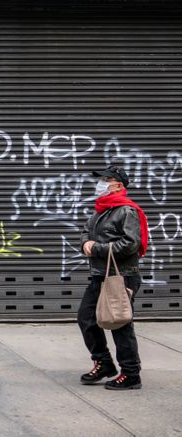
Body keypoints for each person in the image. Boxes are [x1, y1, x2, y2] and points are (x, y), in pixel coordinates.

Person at [78, 165, 148, 390]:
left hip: (122, 276)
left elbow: (131, 243)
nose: (101, 183)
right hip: (100, 275)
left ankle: (131, 373)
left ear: (118, 185)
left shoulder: (126, 211)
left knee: (119, 323)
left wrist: (96, 248)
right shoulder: (101, 210)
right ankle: (104, 363)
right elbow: (86, 232)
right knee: (86, 319)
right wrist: (85, 244)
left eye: (106, 179)